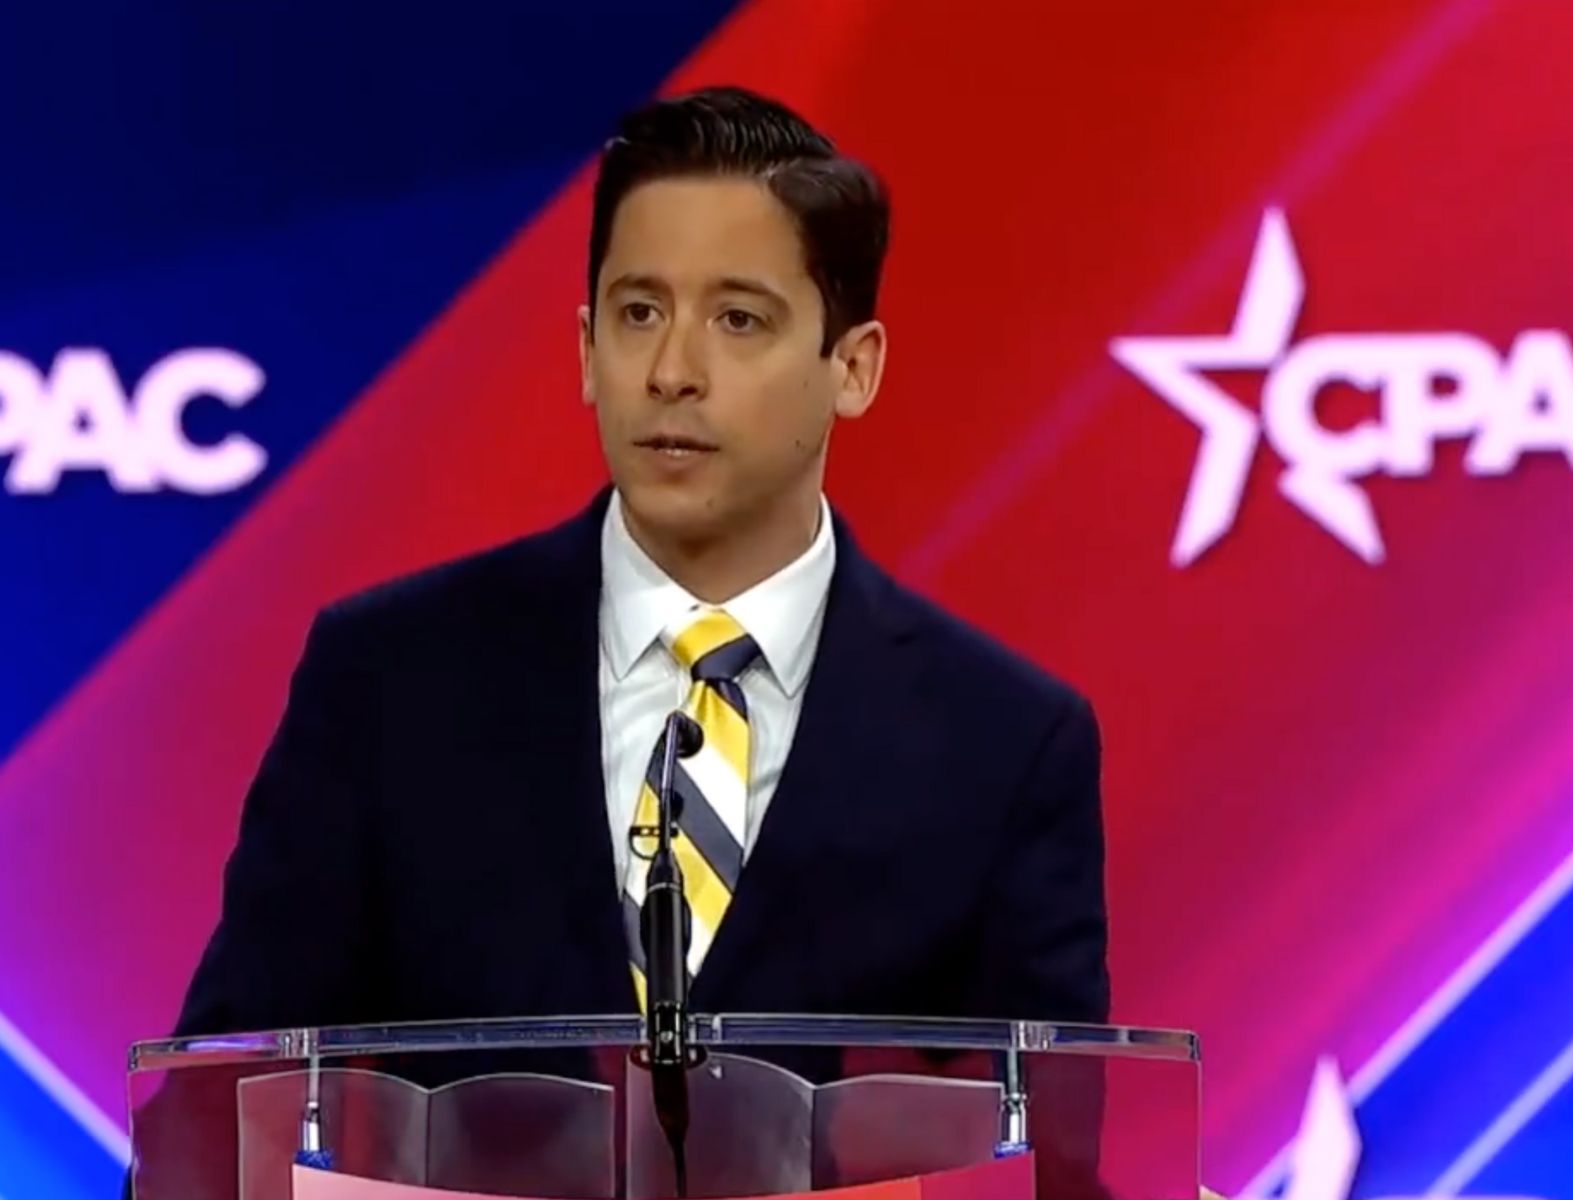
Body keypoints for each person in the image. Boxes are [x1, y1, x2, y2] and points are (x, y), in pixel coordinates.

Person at [170, 83, 1108, 1046]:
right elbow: (226, 1092)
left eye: (738, 320)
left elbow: (1045, 1128)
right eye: (639, 312)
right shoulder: (388, 683)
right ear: (587, 350)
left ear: (854, 368)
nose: (671, 372)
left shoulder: (1005, 746)